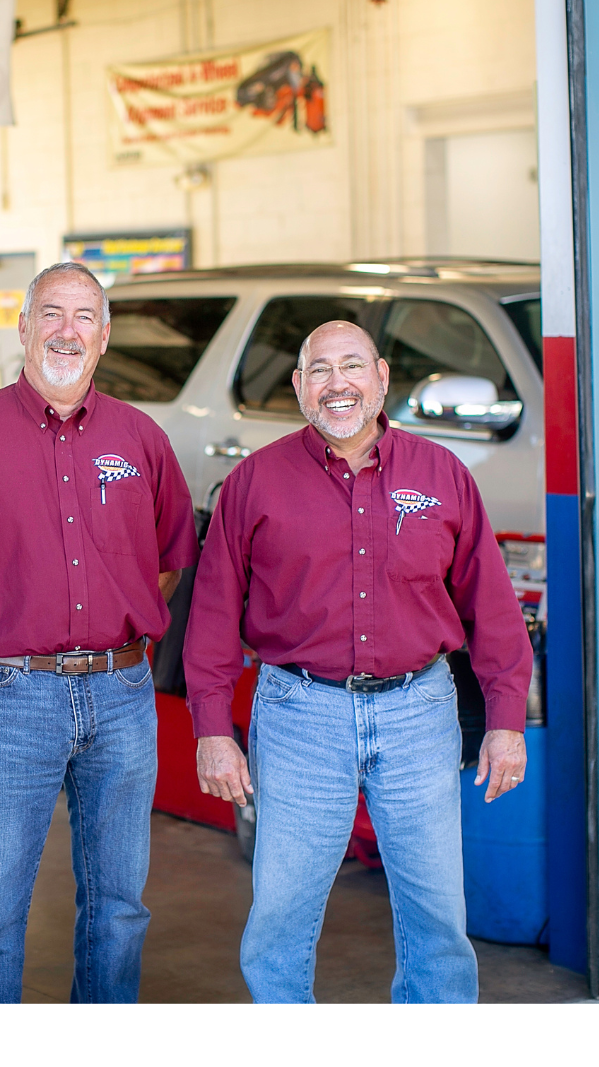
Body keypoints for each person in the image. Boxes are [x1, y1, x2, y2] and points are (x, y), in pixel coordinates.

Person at [183, 319, 533, 1004]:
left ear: (381, 378)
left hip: (418, 712)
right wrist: (212, 728)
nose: (336, 384)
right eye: (319, 369)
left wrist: (506, 718)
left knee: (437, 917)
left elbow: (491, 607)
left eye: (351, 367)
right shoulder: (255, 482)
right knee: (280, 916)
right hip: (298, 713)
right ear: (298, 386)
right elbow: (215, 613)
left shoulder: (443, 476)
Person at [0, 262, 198, 1004]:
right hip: (10, 695)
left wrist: (118, 638)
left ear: (103, 335)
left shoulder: (141, 437)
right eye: (52, 313)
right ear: (25, 326)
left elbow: (169, 561)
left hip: (124, 698)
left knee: (120, 908)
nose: (67, 330)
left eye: (84, 316)